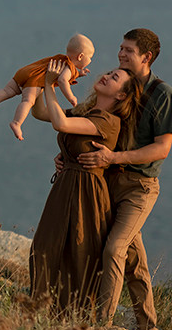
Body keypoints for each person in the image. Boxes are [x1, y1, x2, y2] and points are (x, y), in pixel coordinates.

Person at [76, 28, 172, 330]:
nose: (121, 54)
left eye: (128, 50)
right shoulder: (118, 85)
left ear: (146, 57)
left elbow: (162, 148)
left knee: (114, 250)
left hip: (139, 188)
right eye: (120, 48)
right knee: (134, 262)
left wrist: (114, 159)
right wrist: (69, 156)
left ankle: (101, 329)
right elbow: (94, 125)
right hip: (109, 184)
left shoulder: (163, 94)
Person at [28, 59, 142, 315]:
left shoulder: (110, 121)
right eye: (109, 72)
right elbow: (42, 113)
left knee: (78, 255)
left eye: (114, 78)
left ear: (121, 94)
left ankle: (74, 319)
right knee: (44, 248)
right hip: (64, 188)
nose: (106, 76)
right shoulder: (84, 111)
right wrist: (36, 81)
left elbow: (61, 124)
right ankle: (40, 309)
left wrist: (50, 84)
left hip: (88, 194)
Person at [0, 33, 95, 141]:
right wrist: (71, 97)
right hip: (35, 80)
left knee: (7, 90)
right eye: (90, 57)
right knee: (28, 101)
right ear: (80, 56)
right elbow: (63, 80)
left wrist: (79, 74)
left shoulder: (61, 59)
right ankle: (16, 122)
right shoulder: (69, 67)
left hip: (25, 71)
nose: (90, 60)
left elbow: (65, 76)